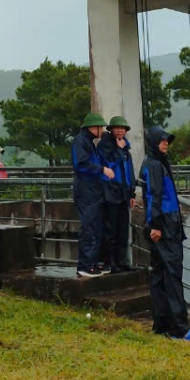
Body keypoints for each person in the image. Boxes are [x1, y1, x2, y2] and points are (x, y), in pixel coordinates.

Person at [140, 126, 190, 341]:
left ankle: (162, 324)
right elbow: (154, 197)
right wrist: (155, 225)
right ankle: (179, 328)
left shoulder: (156, 162)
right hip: (164, 227)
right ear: (154, 142)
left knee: (159, 275)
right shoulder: (155, 165)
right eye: (163, 140)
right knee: (172, 275)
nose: (166, 143)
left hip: (164, 224)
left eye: (168, 140)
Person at [71, 112, 113, 279]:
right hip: (85, 190)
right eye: (100, 127)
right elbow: (81, 164)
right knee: (89, 227)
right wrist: (102, 169)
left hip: (94, 190)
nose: (102, 130)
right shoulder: (80, 142)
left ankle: (93, 262)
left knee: (96, 227)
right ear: (92, 128)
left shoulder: (89, 142)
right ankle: (85, 265)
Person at [99, 116, 136, 273]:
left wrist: (132, 192)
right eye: (117, 127)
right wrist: (119, 150)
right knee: (111, 230)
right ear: (111, 129)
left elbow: (130, 172)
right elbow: (108, 165)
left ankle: (122, 261)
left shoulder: (126, 148)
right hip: (110, 194)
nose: (121, 130)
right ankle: (110, 262)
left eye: (123, 128)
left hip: (123, 194)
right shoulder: (105, 146)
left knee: (123, 230)